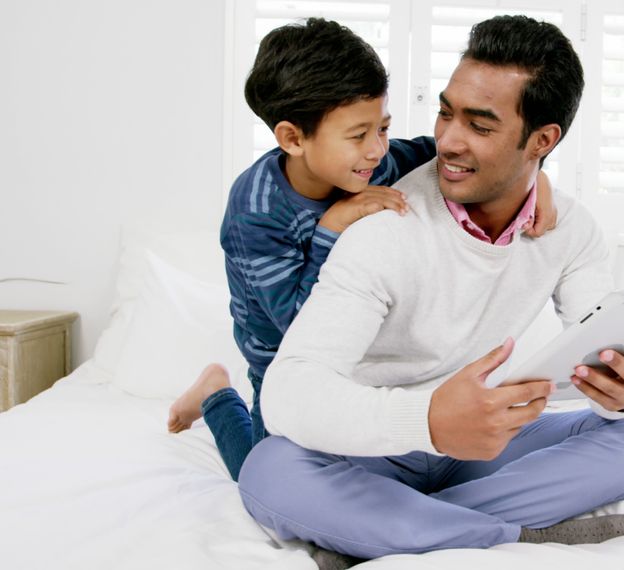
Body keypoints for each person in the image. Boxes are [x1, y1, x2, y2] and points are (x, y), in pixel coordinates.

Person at [237, 15, 624, 563]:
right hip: (372, 445)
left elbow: (601, 339)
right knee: (270, 470)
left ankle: (386, 524)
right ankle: (512, 535)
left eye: (480, 126)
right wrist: (429, 421)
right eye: (445, 112)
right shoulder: (384, 225)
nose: (447, 141)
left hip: (483, 441)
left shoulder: (570, 230)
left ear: (543, 140)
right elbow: (288, 394)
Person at [165, 17, 557, 482]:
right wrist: (331, 228)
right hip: (281, 363)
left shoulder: (380, 162)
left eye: (383, 127)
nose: (377, 150)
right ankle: (216, 394)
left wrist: (537, 176)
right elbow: (298, 327)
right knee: (258, 473)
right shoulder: (256, 213)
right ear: (293, 138)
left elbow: (468, 158)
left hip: (362, 363)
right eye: (358, 135)